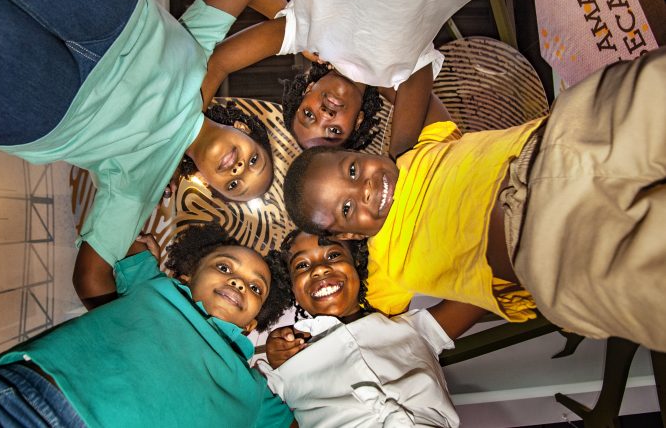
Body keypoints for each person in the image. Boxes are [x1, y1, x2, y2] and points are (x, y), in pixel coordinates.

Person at [282, 47, 666, 352]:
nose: (363, 189)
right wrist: (286, 349)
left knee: (648, 90)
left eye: (352, 170)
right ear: (348, 236)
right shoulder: (386, 271)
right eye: (347, 208)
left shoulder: (414, 149)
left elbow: (414, 74)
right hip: (552, 249)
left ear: (359, 150)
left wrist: (354, 78)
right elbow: (365, 337)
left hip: (557, 145)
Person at [0, 0, 286, 295]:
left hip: (54, 110)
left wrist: (142, 287)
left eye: (234, 185)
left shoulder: (142, 189)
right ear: (243, 129)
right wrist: (307, 35)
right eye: (254, 161)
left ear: (207, 183)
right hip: (114, 16)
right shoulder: (203, 62)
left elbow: (90, 279)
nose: (239, 170)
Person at [0, 223, 294, 427]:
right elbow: (125, 236)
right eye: (224, 267)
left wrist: (285, 366)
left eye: (256, 288)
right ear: (186, 277)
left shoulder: (255, 394)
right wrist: (141, 245)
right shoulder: (154, 285)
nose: (238, 282)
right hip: (18, 399)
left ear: (250, 325)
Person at [202, 0, 519, 155]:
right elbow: (442, 133)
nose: (324, 115)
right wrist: (395, 160)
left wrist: (189, 137)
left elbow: (218, 64)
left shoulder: (306, 33)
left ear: (308, 90)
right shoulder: (396, 75)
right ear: (357, 123)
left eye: (308, 114)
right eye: (333, 131)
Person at [259, 230, 484, 427]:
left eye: (333, 255)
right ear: (291, 288)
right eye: (302, 265)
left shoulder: (413, 328)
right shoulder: (289, 361)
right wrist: (281, 365)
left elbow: (484, 291)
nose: (319, 269)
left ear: (357, 263)